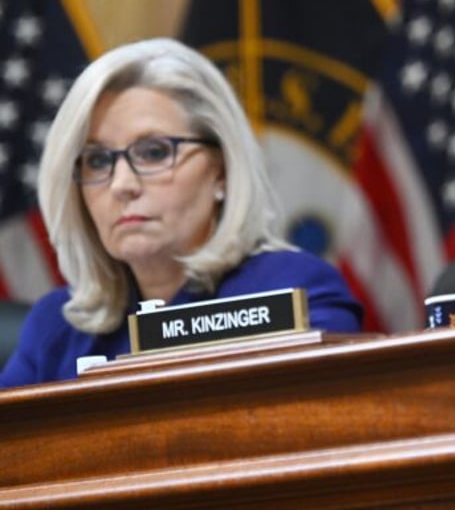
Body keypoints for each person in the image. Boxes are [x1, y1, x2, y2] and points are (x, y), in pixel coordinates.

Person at [0, 38, 362, 388]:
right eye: (97, 160)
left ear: (221, 170)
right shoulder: (59, 326)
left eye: (154, 152)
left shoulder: (293, 288)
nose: (121, 184)